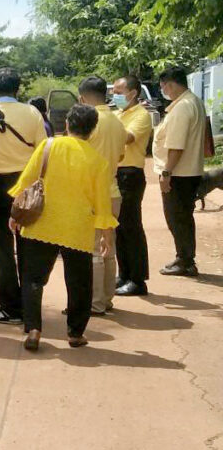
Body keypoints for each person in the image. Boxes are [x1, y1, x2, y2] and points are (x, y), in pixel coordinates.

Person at [10, 104, 117, 351]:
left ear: (67, 124)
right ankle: (75, 333)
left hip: (42, 222)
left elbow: (25, 181)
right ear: (92, 130)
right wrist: (106, 235)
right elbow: (102, 204)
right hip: (77, 227)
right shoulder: (98, 161)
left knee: (33, 278)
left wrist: (15, 213)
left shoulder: (48, 146)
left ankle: (34, 328)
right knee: (79, 282)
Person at [0, 68, 48, 325]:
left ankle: (9, 307)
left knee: (2, 247)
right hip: (26, 183)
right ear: (18, 89)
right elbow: (43, 151)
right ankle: (30, 309)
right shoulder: (33, 113)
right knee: (27, 246)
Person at [78, 76, 127, 315]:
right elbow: (120, 157)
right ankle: (107, 298)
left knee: (94, 249)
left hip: (92, 193)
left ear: (83, 97)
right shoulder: (117, 122)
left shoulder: (89, 121)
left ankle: (95, 303)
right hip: (113, 190)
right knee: (109, 247)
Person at [154, 66, 208, 277]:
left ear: (169, 84)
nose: (163, 90)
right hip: (187, 171)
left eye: (162, 86)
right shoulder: (191, 101)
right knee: (183, 217)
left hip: (179, 173)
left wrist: (166, 173)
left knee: (177, 218)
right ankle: (184, 257)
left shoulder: (183, 107)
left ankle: (185, 260)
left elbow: (176, 146)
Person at [112, 75, 154, 296]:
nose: (114, 95)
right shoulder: (117, 114)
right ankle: (124, 274)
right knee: (118, 228)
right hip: (116, 173)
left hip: (131, 174)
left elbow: (127, 138)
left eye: (119, 91)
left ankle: (138, 280)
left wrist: (106, 126)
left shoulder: (141, 115)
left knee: (131, 227)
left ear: (133, 93)